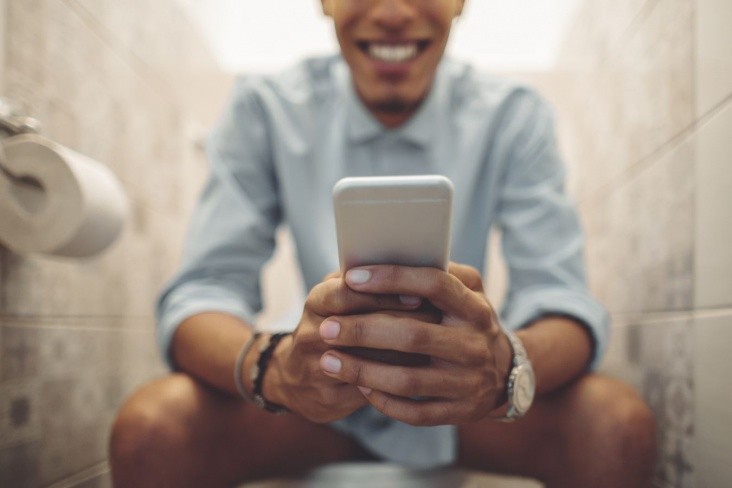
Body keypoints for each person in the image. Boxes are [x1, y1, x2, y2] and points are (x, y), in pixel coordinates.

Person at [109, 1, 657, 487]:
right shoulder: (264, 107)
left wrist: (501, 363)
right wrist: (274, 368)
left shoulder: (515, 114)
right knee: (151, 431)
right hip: (314, 406)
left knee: (615, 427)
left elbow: (563, 303)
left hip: (464, 411)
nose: (393, 10)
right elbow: (201, 295)